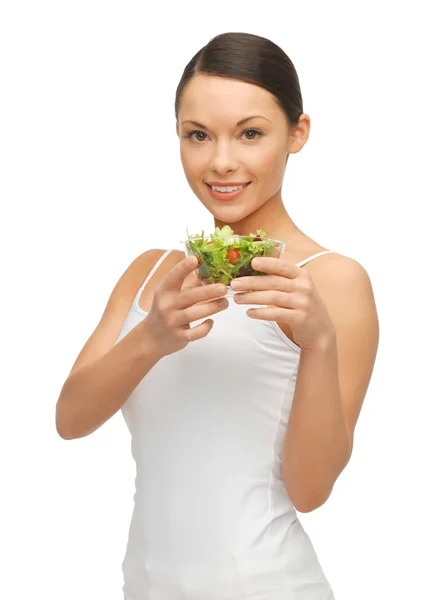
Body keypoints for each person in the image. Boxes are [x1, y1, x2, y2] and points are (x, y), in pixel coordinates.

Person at [56, 32, 379, 600]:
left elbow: (311, 489)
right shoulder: (150, 271)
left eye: (250, 133)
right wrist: (151, 338)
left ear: (297, 134)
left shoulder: (332, 280)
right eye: (197, 135)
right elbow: (71, 419)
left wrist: (320, 341)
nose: (221, 162)